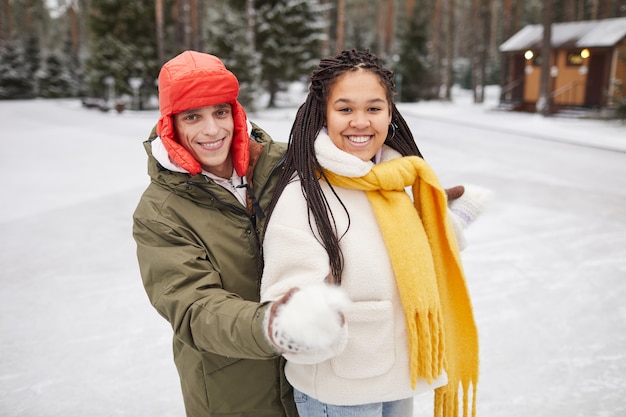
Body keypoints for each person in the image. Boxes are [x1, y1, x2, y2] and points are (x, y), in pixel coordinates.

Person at [259, 49, 490, 417]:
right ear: (324, 113)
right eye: (345, 109)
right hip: (340, 390)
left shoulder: (394, 180)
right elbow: (286, 292)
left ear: (389, 112)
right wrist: (304, 318)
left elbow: (402, 257)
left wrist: (449, 225)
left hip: (399, 375)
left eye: (373, 108)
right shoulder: (305, 194)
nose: (360, 122)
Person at [132, 50, 300, 417]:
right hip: (233, 395)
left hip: (311, 384)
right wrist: (273, 325)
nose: (211, 130)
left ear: (236, 114)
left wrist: (418, 213)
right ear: (170, 125)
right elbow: (192, 306)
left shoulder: (286, 166)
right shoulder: (160, 212)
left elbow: (353, 204)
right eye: (193, 117)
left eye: (220, 112)